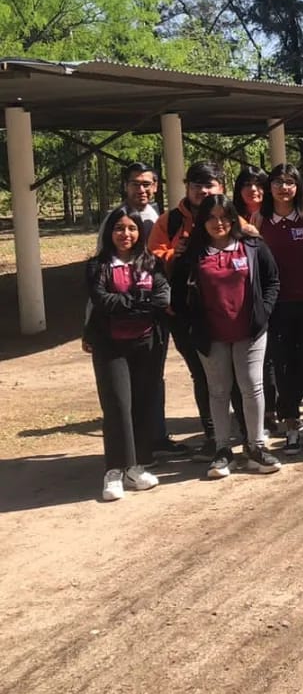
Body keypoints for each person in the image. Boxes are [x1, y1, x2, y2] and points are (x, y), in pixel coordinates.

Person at [170, 197, 282, 479]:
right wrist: (192, 326)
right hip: (211, 336)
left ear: (233, 218)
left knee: (251, 387)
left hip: (250, 331)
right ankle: (222, 450)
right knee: (218, 392)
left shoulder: (253, 246)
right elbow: (178, 296)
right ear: (202, 221)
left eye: (224, 216)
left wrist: (263, 312)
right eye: (211, 217)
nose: (218, 223)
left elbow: (272, 281)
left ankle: (256, 448)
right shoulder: (191, 254)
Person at [84, 207, 170, 501]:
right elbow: (102, 301)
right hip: (110, 344)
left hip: (146, 343)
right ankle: (114, 471)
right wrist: (137, 299)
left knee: (142, 403)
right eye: (119, 228)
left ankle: (137, 466)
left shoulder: (152, 262)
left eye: (132, 228)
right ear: (109, 232)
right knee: (118, 405)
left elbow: (161, 298)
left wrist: (129, 302)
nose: (126, 234)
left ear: (139, 233)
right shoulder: (97, 266)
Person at [148, 161, 230, 460]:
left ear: (221, 186)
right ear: (187, 187)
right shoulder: (169, 221)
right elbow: (153, 258)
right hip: (184, 312)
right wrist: (174, 253)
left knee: (233, 373)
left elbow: (252, 245)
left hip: (226, 309)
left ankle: (246, 433)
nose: (203, 190)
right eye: (196, 185)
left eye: (209, 185)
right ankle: (212, 436)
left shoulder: (231, 216)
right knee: (201, 374)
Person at [251, 163, 303, 455]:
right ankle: (291, 426)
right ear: (269, 187)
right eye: (277, 182)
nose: (283, 188)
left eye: (290, 182)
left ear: (297, 187)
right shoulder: (259, 219)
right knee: (283, 366)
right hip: (277, 305)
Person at [233, 165, 279, 433]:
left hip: (272, 294)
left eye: (259, 184)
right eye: (247, 184)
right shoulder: (230, 218)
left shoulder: (275, 215)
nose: (253, 190)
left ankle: (271, 410)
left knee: (272, 357)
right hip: (242, 300)